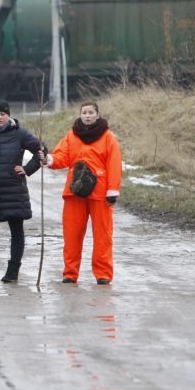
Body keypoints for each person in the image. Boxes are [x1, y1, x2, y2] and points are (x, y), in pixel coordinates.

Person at [43, 100, 122, 285]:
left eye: (90, 112)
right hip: (75, 192)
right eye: (84, 112)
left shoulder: (108, 137)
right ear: (80, 115)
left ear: (97, 115)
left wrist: (113, 190)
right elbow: (62, 156)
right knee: (72, 234)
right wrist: (49, 159)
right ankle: (70, 273)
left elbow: (114, 164)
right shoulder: (72, 135)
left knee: (103, 235)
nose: (87, 115)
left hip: (100, 193)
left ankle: (103, 274)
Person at [0, 101, 45, 283]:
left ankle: (12, 273)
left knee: (16, 232)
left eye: (2, 114)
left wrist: (27, 169)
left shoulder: (19, 134)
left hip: (13, 190)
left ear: (8, 116)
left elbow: (41, 150)